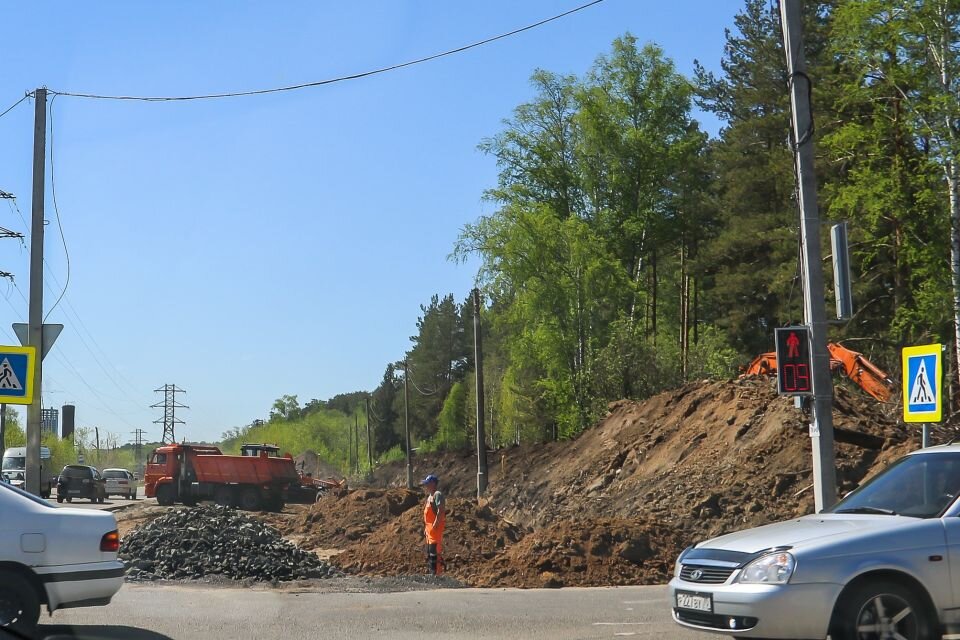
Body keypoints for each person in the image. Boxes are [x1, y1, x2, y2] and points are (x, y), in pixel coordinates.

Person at [421, 473, 445, 576]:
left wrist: (435, 524)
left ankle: (436, 574)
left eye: (427, 484)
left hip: (435, 529)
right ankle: (432, 573)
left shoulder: (437, 494)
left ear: (433, 484)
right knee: (430, 553)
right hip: (429, 530)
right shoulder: (430, 497)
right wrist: (426, 529)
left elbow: (441, 510)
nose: (426, 486)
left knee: (434, 553)